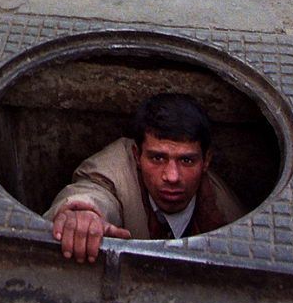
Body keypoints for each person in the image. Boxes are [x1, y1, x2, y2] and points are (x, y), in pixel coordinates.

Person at [47, 93, 246, 263]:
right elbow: (95, 190)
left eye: (186, 160)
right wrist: (84, 213)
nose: (172, 176)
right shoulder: (113, 172)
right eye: (157, 158)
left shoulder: (227, 214)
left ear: (206, 161)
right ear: (137, 155)